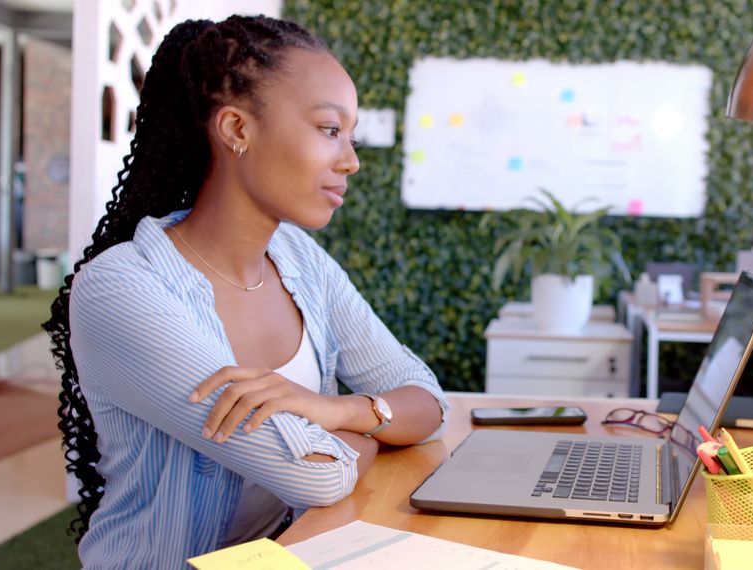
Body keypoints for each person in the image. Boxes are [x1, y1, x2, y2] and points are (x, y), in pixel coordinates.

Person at [42, 15, 449, 568]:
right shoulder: (121, 290)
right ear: (236, 128)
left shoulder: (300, 259)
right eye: (330, 130)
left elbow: (427, 400)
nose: (351, 160)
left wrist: (333, 410)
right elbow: (318, 474)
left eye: (350, 137)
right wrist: (370, 425)